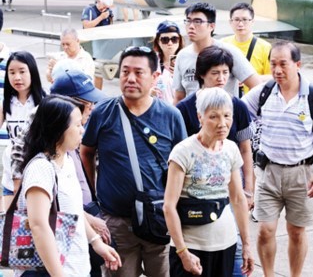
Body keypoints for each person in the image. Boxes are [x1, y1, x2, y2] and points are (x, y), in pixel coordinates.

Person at [80, 46, 187, 276]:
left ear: (155, 77)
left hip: (158, 220)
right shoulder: (103, 112)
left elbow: (182, 165)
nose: (130, 78)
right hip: (116, 222)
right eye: (125, 71)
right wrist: (94, 198)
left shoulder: (170, 116)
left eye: (139, 73)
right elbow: (86, 152)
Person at [242, 41, 313, 277]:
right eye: (273, 64)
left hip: (303, 174)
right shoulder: (263, 92)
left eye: (283, 64)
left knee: (296, 231)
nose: (277, 70)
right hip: (268, 172)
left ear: (298, 64)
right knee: (265, 230)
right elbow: (237, 114)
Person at [13, 94, 121, 276]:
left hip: (76, 267)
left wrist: (96, 242)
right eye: (77, 125)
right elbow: (38, 226)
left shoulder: (67, 160)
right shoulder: (41, 168)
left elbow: (74, 212)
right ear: (58, 128)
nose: (82, 130)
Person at [176, 46, 254, 276]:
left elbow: (246, 149)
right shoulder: (184, 109)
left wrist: (249, 188)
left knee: (237, 246)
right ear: (201, 74)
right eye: (214, 73)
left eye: (225, 72)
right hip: (195, 192)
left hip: (231, 186)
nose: (221, 78)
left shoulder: (237, 106)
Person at [172, 2, 260, 104]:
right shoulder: (182, 56)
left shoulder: (228, 52)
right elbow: (179, 97)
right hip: (193, 118)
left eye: (197, 21)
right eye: (188, 21)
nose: (191, 26)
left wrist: (241, 110)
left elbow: (256, 85)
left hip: (224, 117)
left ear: (212, 26)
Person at [0, 51, 46, 209]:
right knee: (9, 224)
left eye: (22, 71)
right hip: (10, 175)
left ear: (32, 71)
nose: (17, 77)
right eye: (11, 72)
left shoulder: (43, 103)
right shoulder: (7, 103)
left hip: (35, 175)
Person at [222, 2, 272, 96]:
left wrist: (249, 79)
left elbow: (273, 77)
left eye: (245, 20)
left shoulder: (265, 47)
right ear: (230, 22)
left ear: (252, 22)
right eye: (236, 20)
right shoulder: (222, 45)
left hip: (254, 99)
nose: (240, 24)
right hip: (228, 101)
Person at [152, 20, 185, 104]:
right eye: (165, 40)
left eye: (174, 39)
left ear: (179, 40)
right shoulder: (151, 61)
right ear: (158, 42)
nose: (170, 43)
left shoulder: (187, 61)